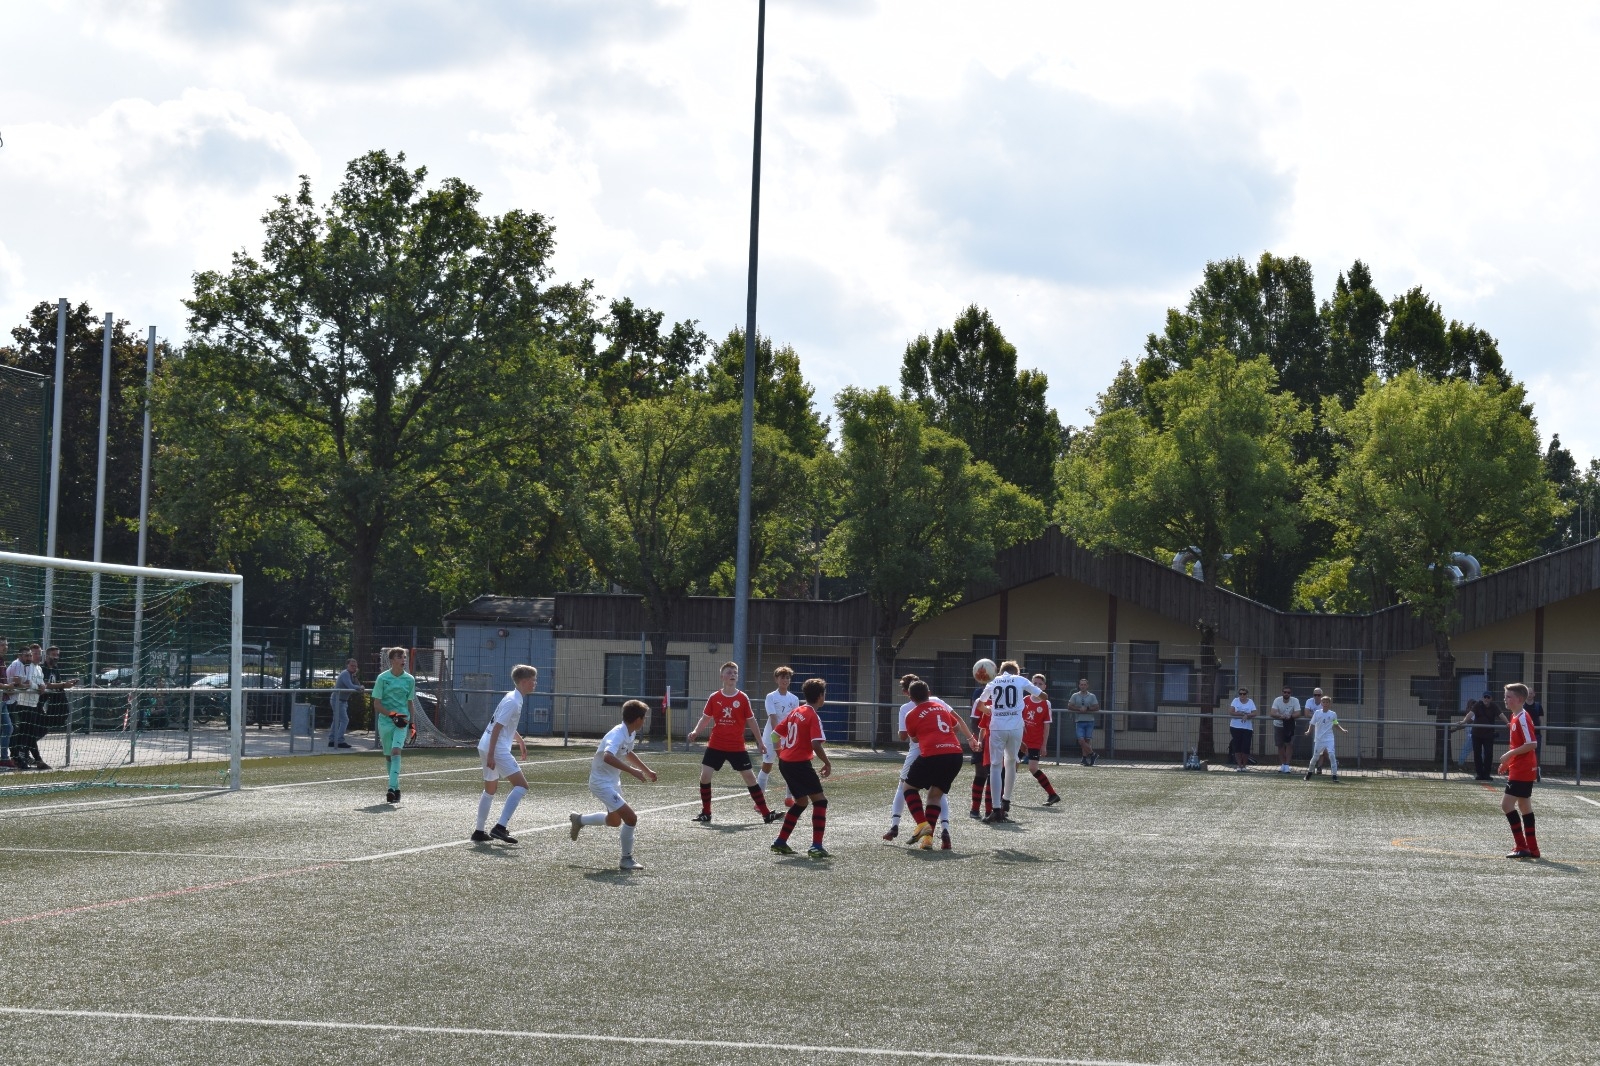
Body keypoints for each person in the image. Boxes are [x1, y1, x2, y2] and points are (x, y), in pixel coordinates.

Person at [570, 699, 658, 871]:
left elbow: (628, 752)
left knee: (614, 821)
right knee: (631, 818)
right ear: (638, 719)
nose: (645, 721)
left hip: (612, 781)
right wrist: (632, 771)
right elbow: (608, 756)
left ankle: (579, 819)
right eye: (644, 718)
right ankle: (626, 859)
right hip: (601, 783)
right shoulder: (617, 734)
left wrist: (646, 770)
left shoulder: (630, 733)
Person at [685, 662, 777, 825]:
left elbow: (751, 720)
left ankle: (766, 813)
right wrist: (695, 731)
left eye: (735, 672)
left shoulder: (742, 698)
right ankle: (706, 813)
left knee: (750, 777)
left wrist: (760, 742)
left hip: (736, 746)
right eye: (729, 672)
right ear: (722, 677)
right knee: (705, 776)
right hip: (716, 744)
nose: (732, 674)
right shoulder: (714, 697)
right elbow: (706, 717)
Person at [899, 679, 982, 850]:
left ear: (911, 698)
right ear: (928, 694)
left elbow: (914, 738)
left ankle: (922, 824)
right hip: (955, 755)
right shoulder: (941, 707)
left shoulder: (911, 714)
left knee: (908, 788)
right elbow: (955, 727)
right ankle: (928, 840)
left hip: (933, 754)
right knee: (934, 796)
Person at [884, 674, 955, 846]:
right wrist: (971, 739)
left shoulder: (907, 710)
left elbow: (907, 737)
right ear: (928, 692)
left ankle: (896, 825)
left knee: (904, 786)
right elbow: (957, 723)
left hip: (924, 751)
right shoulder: (939, 703)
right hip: (953, 751)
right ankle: (943, 831)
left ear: (908, 694)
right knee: (937, 793)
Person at [770, 676, 833, 859]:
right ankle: (816, 846)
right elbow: (816, 744)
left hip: (785, 763)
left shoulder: (795, 711)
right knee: (820, 802)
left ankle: (780, 842)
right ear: (820, 696)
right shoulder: (812, 716)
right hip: (799, 764)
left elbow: (774, 735)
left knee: (802, 802)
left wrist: (780, 752)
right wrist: (827, 763)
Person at [471, 665, 536, 844]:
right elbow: (497, 728)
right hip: (496, 748)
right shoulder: (513, 701)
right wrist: (492, 755)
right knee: (521, 786)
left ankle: (479, 831)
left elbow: (504, 725)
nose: (535, 683)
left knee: (490, 790)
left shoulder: (512, 697)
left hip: (486, 745)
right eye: (533, 680)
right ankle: (500, 828)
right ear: (524, 682)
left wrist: (519, 740)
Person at [977, 660, 1043, 822]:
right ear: (1016, 672)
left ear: (1000, 671)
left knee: (995, 766)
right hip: (1015, 727)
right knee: (1011, 762)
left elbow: (980, 705)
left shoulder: (994, 681)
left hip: (997, 727)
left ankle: (996, 808)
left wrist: (989, 710)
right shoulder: (1020, 680)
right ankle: (1006, 800)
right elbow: (1043, 696)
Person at [1498, 683, 1541, 859]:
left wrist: (1509, 755)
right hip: (1521, 767)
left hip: (1523, 769)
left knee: (1506, 805)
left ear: (1520, 699)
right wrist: (1508, 763)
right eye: (1505, 696)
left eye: (1509, 696)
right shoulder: (1515, 717)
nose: (1505, 699)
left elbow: (1532, 744)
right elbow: (1518, 745)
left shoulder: (1523, 717)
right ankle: (1533, 849)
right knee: (1524, 806)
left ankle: (1521, 846)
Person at [371, 647, 418, 804]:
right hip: (385, 722)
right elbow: (377, 704)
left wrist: (412, 725)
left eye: (404, 657)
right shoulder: (382, 678)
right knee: (388, 755)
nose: (403, 660)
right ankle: (396, 789)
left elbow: (410, 703)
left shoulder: (409, 679)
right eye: (399, 657)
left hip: (402, 722)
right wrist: (392, 715)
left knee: (396, 751)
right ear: (392, 660)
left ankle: (390, 788)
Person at [1020, 674, 1060, 803]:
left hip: (1035, 741)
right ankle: (1002, 797)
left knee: (1033, 768)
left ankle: (1052, 794)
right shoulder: (1025, 699)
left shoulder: (1046, 703)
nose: (1037, 686)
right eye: (1034, 684)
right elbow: (1018, 718)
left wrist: (1044, 745)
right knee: (1010, 766)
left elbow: (1046, 725)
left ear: (1044, 687)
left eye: (1040, 684)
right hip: (1021, 741)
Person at [760, 665, 799, 797]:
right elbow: (773, 718)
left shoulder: (794, 699)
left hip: (787, 738)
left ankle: (789, 798)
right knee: (767, 766)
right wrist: (777, 736)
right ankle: (759, 800)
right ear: (776, 679)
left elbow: (794, 720)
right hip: (771, 736)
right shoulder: (771, 696)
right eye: (782, 677)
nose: (785, 680)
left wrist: (791, 737)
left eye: (787, 677)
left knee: (790, 767)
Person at [9, 645, 48, 770]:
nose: (36, 656)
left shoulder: (39, 668)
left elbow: (40, 683)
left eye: (38, 653)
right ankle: (25, 757)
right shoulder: (24, 665)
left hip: (33, 703)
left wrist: (42, 686)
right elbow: (27, 683)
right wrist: (38, 686)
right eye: (33, 653)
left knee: (30, 732)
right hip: (21, 703)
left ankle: (24, 755)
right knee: (24, 732)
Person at [1303, 696, 1347, 781]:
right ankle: (1309, 773)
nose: (1325, 704)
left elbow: (1335, 724)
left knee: (1332, 755)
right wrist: (1308, 731)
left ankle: (1334, 776)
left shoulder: (1333, 714)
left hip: (1329, 738)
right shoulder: (1317, 713)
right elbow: (1312, 723)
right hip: (1319, 739)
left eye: (1327, 702)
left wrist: (1342, 730)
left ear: (1329, 704)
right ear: (1321, 703)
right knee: (1315, 757)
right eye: (1324, 702)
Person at [1466, 690, 1507, 781]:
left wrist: (1508, 723)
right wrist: (1464, 721)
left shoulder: (1494, 706)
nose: (1486, 699)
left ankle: (1486, 774)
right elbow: (1471, 714)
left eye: (1488, 697)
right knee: (1477, 754)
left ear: (1491, 698)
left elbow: (1501, 714)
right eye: (1485, 697)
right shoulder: (1478, 705)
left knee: (1488, 754)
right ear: (1482, 698)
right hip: (1476, 734)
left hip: (1488, 735)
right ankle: (1479, 774)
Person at [967, 694, 995, 820]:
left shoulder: (1004, 701)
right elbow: (974, 723)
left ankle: (993, 810)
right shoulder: (980, 701)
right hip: (982, 742)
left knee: (996, 775)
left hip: (998, 743)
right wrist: (981, 741)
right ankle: (975, 809)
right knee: (981, 774)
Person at [1065, 677, 1100, 766]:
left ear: (1087, 686)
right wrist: (1079, 709)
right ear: (1079, 686)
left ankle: (1084, 758)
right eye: (1081, 685)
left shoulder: (1092, 696)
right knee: (1081, 741)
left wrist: (1087, 708)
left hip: (1090, 721)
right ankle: (1093, 754)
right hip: (1079, 720)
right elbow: (1069, 706)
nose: (1083, 686)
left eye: (1084, 685)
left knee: (1087, 741)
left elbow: (1096, 707)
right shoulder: (1075, 695)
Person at [1270, 685, 1302, 774]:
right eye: (1285, 692)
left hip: (1289, 725)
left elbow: (1298, 713)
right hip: (1278, 725)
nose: (1286, 694)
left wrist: (1290, 716)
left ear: (1290, 693)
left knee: (1289, 744)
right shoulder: (1277, 700)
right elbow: (1272, 713)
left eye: (1288, 692)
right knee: (1280, 745)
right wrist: (1281, 716)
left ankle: (1287, 765)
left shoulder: (1295, 700)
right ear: (1282, 693)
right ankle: (1283, 764)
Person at [328, 658, 359, 749]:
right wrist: (360, 687)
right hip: (337, 700)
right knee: (345, 720)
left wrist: (355, 677)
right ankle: (339, 740)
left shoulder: (351, 675)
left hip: (342, 700)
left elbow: (357, 685)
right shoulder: (345, 673)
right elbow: (351, 686)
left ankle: (332, 740)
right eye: (352, 666)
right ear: (347, 665)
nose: (354, 667)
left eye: (355, 666)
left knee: (336, 720)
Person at [1228, 687, 1257, 771]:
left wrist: (1247, 715)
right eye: (1240, 694)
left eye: (1244, 694)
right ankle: (1239, 765)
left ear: (1246, 694)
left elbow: (1255, 713)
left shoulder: (1250, 701)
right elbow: (1231, 712)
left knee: (1246, 747)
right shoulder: (1235, 701)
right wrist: (1241, 714)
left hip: (1247, 728)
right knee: (1237, 746)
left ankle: (1244, 766)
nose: (1242, 695)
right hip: (1235, 727)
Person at [1524, 686, 1545, 781]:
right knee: (1525, 753)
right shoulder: (1522, 706)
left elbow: (1540, 719)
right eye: (1528, 693)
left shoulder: (1538, 706)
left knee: (1536, 753)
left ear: (1534, 694)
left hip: (1536, 733)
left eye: (1531, 693)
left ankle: (1536, 772)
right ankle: (1525, 772)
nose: (1529, 695)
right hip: (1524, 734)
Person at [1, 637, 14, 769]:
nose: (5, 647)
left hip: (3, 699)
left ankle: (4, 758)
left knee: (8, 728)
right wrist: (6, 686)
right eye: (2, 645)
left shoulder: (2, 661)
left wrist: (9, 688)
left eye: (6, 645)